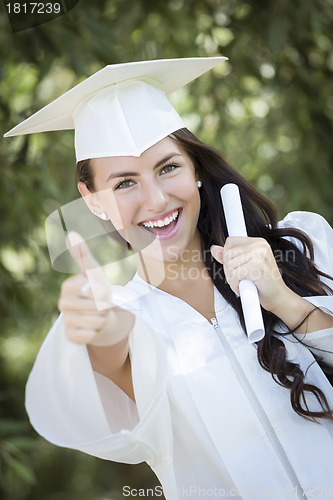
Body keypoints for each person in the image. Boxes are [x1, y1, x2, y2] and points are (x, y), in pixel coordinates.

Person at [5, 57, 333, 499]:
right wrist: (103, 334)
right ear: (92, 199)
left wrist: (289, 304)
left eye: (168, 167)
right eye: (124, 183)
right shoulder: (125, 322)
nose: (156, 199)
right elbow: (118, 416)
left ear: (195, 168)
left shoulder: (302, 247)